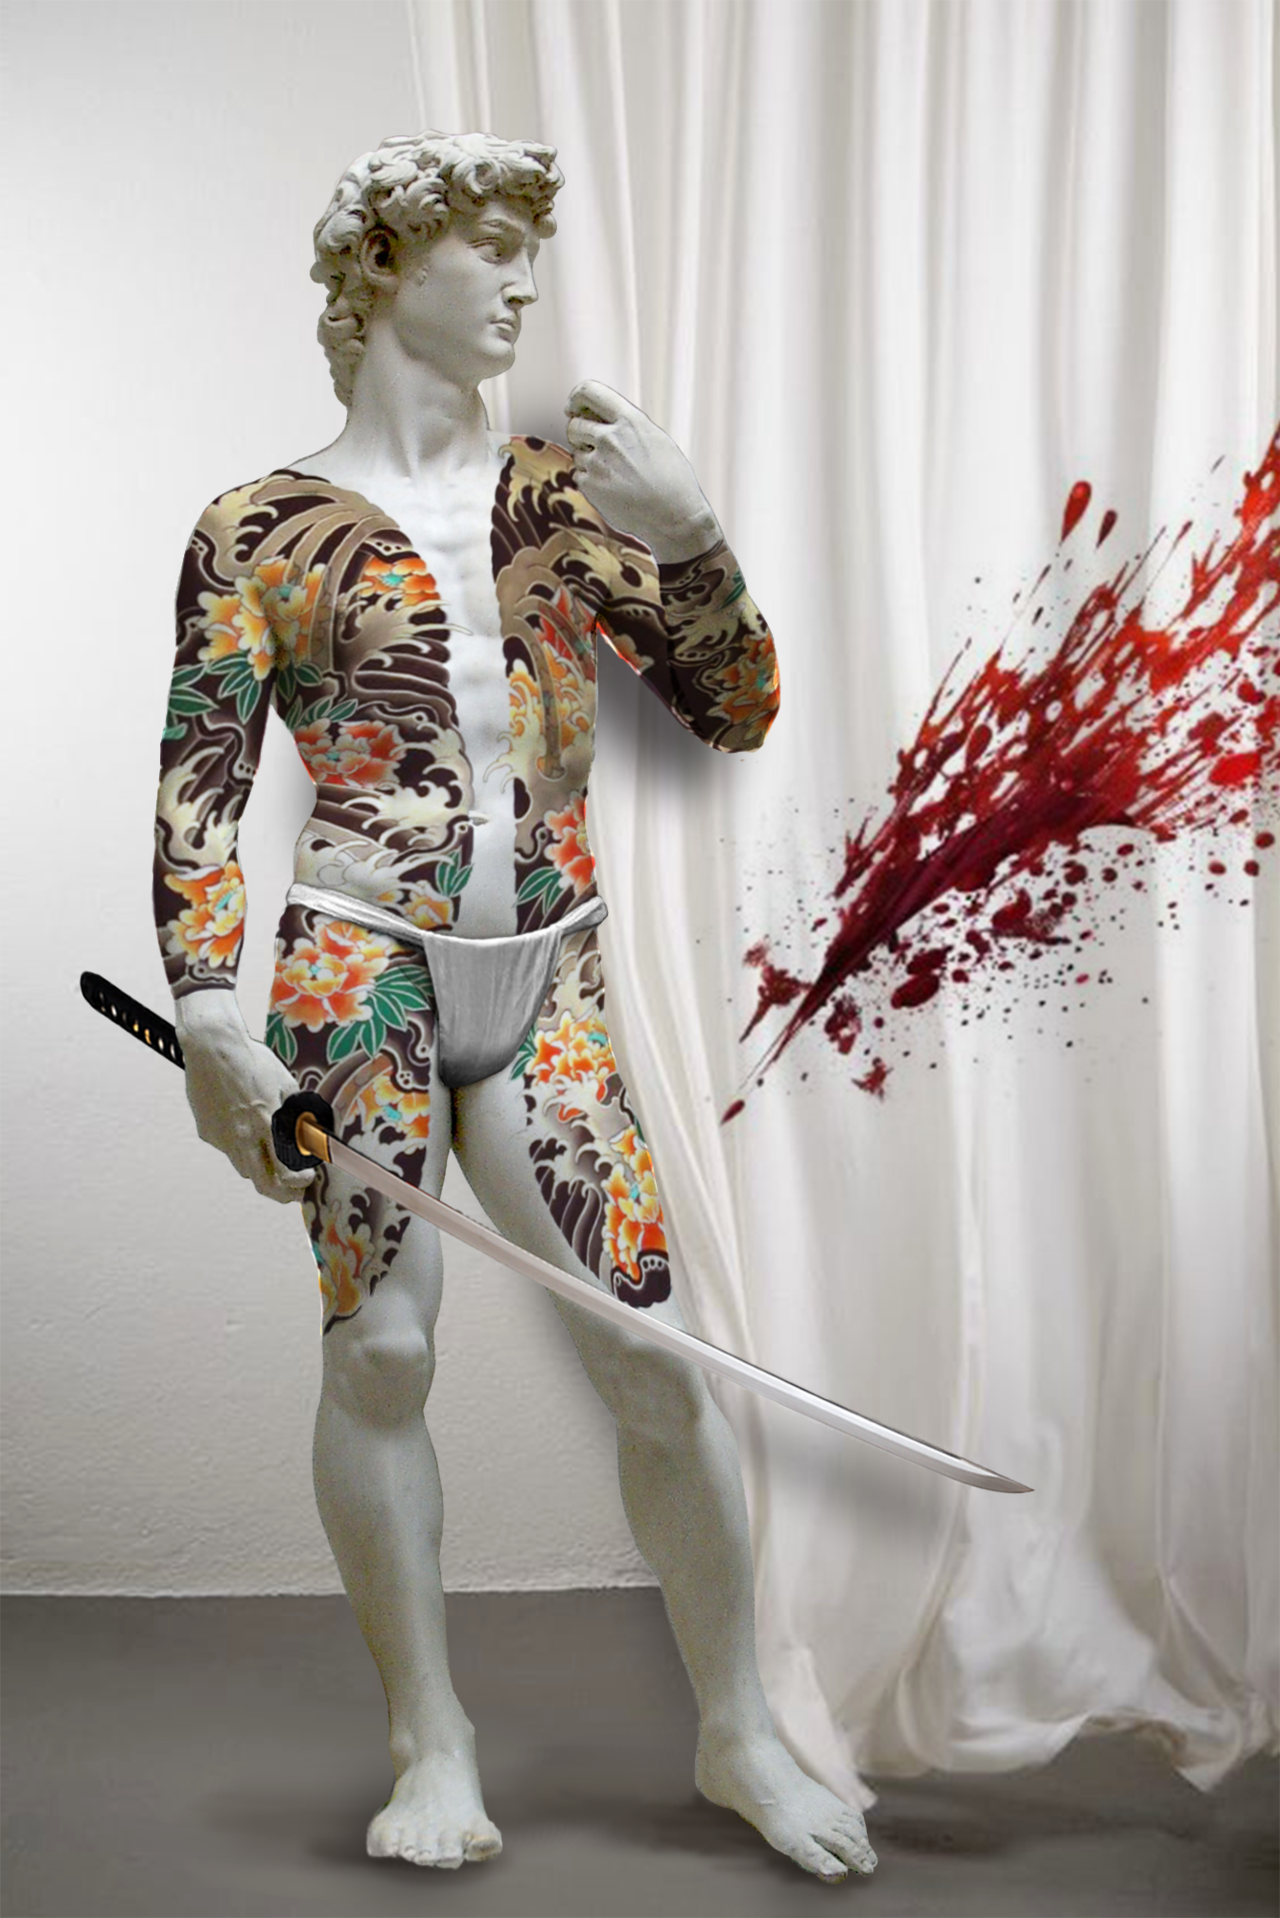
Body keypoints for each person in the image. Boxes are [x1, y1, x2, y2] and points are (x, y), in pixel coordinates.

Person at [152, 128, 875, 1882]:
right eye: (487, 244)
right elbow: (200, 779)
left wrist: (692, 536)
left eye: (527, 249)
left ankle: (738, 1727)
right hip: (359, 968)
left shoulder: (569, 499)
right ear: (384, 266)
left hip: (550, 965)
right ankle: (433, 1735)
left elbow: (738, 708)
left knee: (650, 1355)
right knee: (383, 1347)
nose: (525, 282)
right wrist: (208, 1005)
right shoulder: (256, 527)